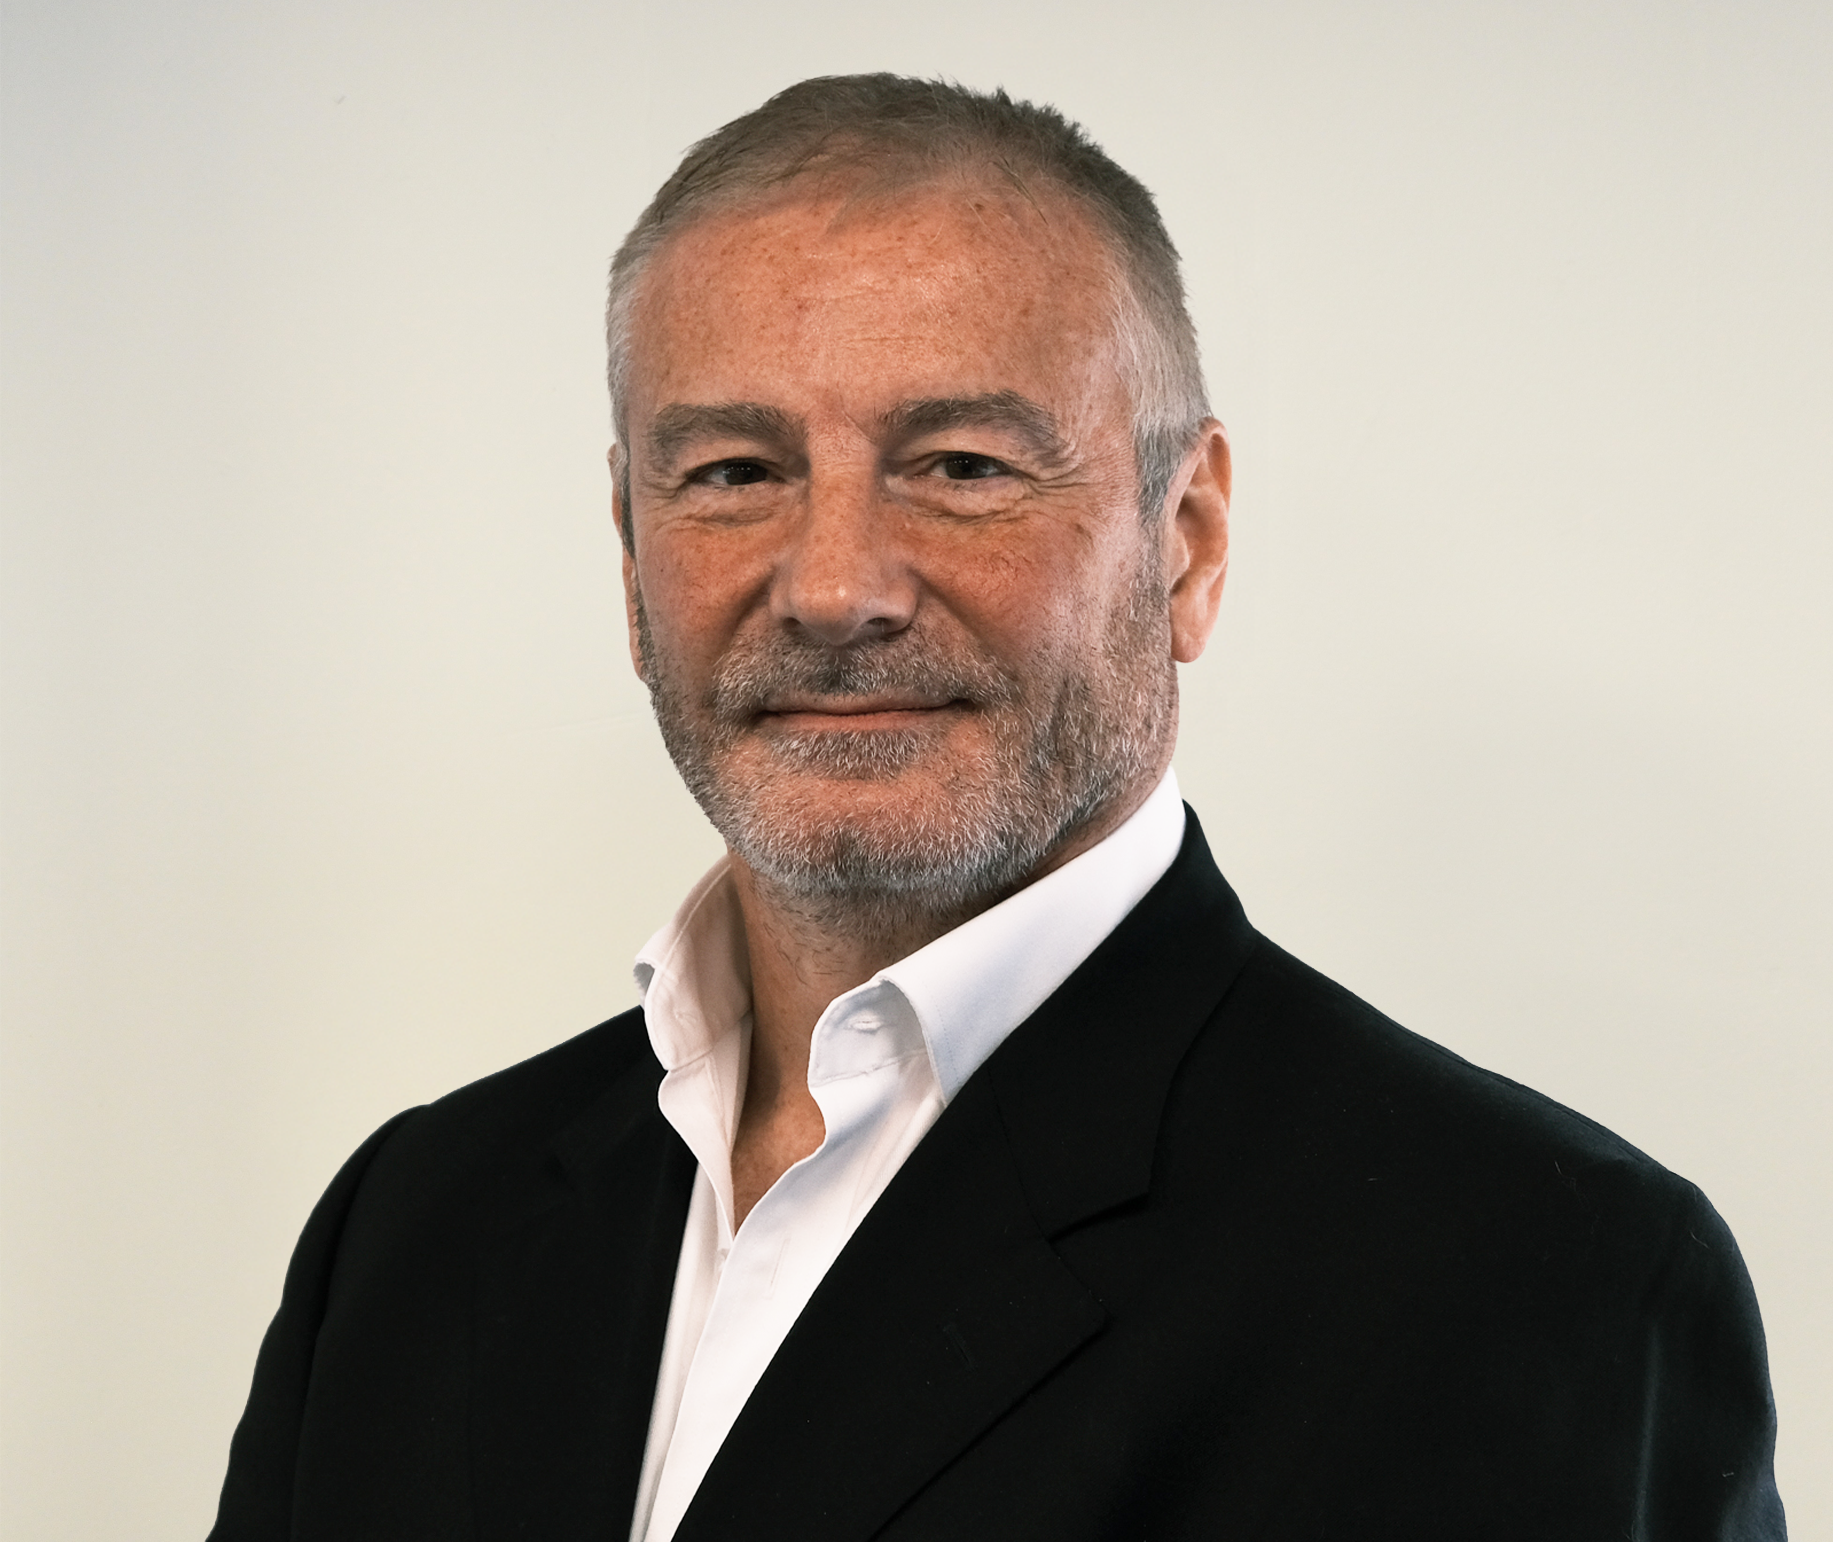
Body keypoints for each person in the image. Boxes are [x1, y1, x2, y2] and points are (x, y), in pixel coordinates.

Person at [207, 75, 1785, 1541]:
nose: (834, 587)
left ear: (1187, 539)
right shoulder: (410, 1231)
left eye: (958, 464)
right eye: (735, 472)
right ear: (631, 557)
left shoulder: (1536, 1276)